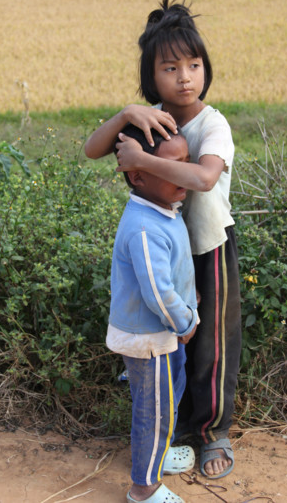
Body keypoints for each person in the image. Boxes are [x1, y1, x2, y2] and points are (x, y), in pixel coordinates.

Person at [85, 0, 242, 481]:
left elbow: (203, 179)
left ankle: (213, 430)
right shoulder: (150, 118)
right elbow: (93, 149)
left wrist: (142, 161)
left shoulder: (213, 124)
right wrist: (128, 113)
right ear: (151, 77)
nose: (185, 77)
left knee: (212, 342)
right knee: (169, 338)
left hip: (207, 245)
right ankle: (169, 428)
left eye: (193, 65)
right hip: (161, 247)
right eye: (170, 68)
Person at [107, 123, 199, 503]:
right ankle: (144, 487)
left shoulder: (164, 209)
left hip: (164, 335)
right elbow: (158, 292)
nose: (183, 171)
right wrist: (185, 321)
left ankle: (157, 457)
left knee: (168, 396)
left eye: (186, 162)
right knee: (154, 411)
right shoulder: (145, 227)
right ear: (138, 175)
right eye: (170, 165)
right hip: (150, 338)